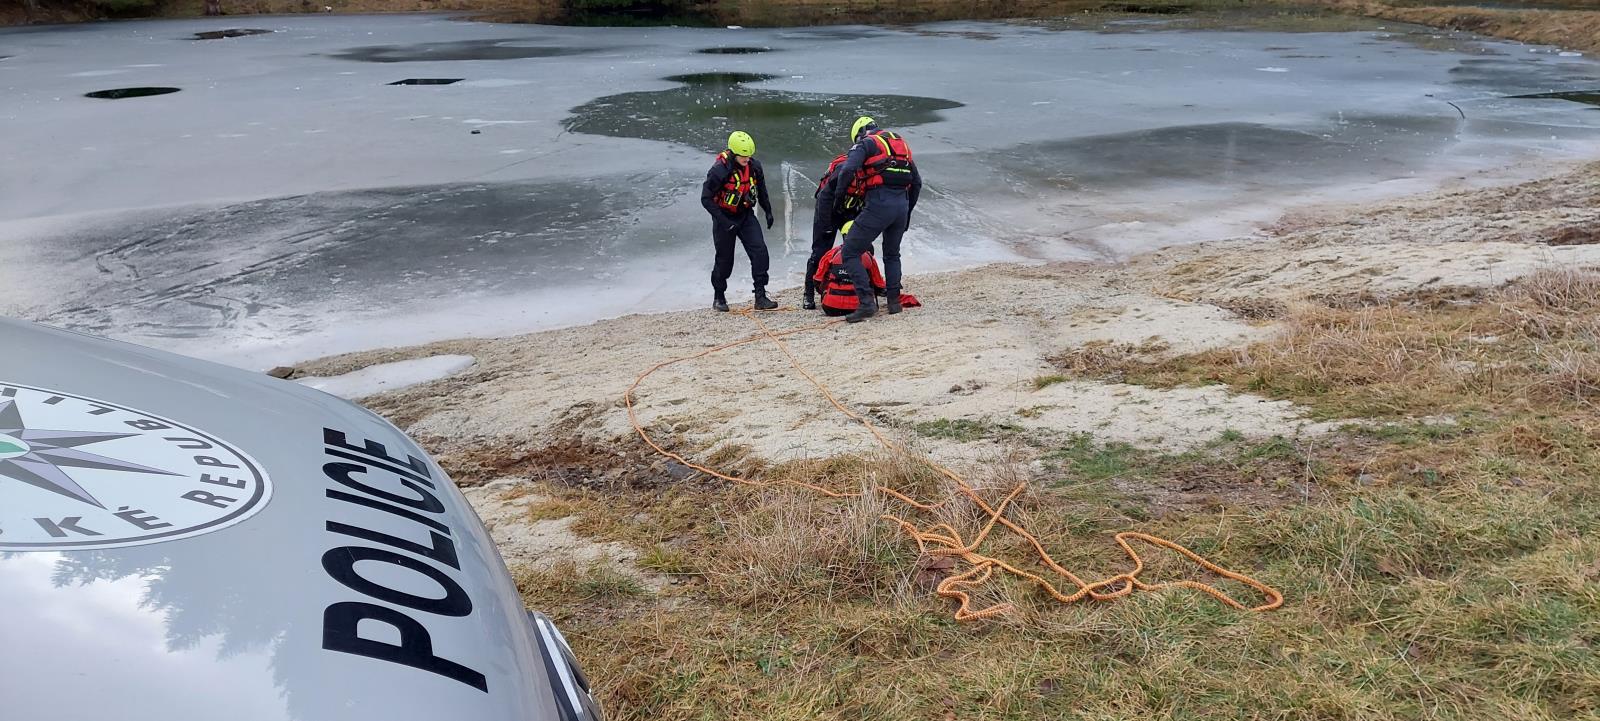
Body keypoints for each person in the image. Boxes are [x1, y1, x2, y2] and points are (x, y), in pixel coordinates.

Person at [824, 116, 922, 323]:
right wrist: (908, 213)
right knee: (892, 254)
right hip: (901, 205)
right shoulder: (899, 143)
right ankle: (894, 303)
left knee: (850, 250)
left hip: (879, 203)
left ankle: (866, 303)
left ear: (859, 134)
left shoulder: (865, 144)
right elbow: (917, 183)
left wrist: (838, 200)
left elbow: (848, 170)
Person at [701, 130, 777, 312]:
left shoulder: (754, 166)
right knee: (724, 261)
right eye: (743, 156)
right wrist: (724, 222)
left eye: (749, 156)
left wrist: (768, 211)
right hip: (724, 218)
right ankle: (719, 296)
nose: (747, 159)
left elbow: (762, 190)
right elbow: (706, 199)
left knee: (760, 252)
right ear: (734, 153)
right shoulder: (719, 170)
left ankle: (760, 296)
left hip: (745, 215)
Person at [803, 151, 868, 310]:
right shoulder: (842, 170)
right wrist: (825, 226)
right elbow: (824, 197)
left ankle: (859, 289)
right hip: (828, 211)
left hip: (850, 211)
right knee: (819, 252)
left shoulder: (872, 171)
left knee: (860, 248)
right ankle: (808, 293)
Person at [812, 221, 885, 317]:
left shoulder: (831, 254)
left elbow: (817, 280)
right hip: (859, 307)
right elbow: (879, 285)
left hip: (831, 308)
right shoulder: (868, 256)